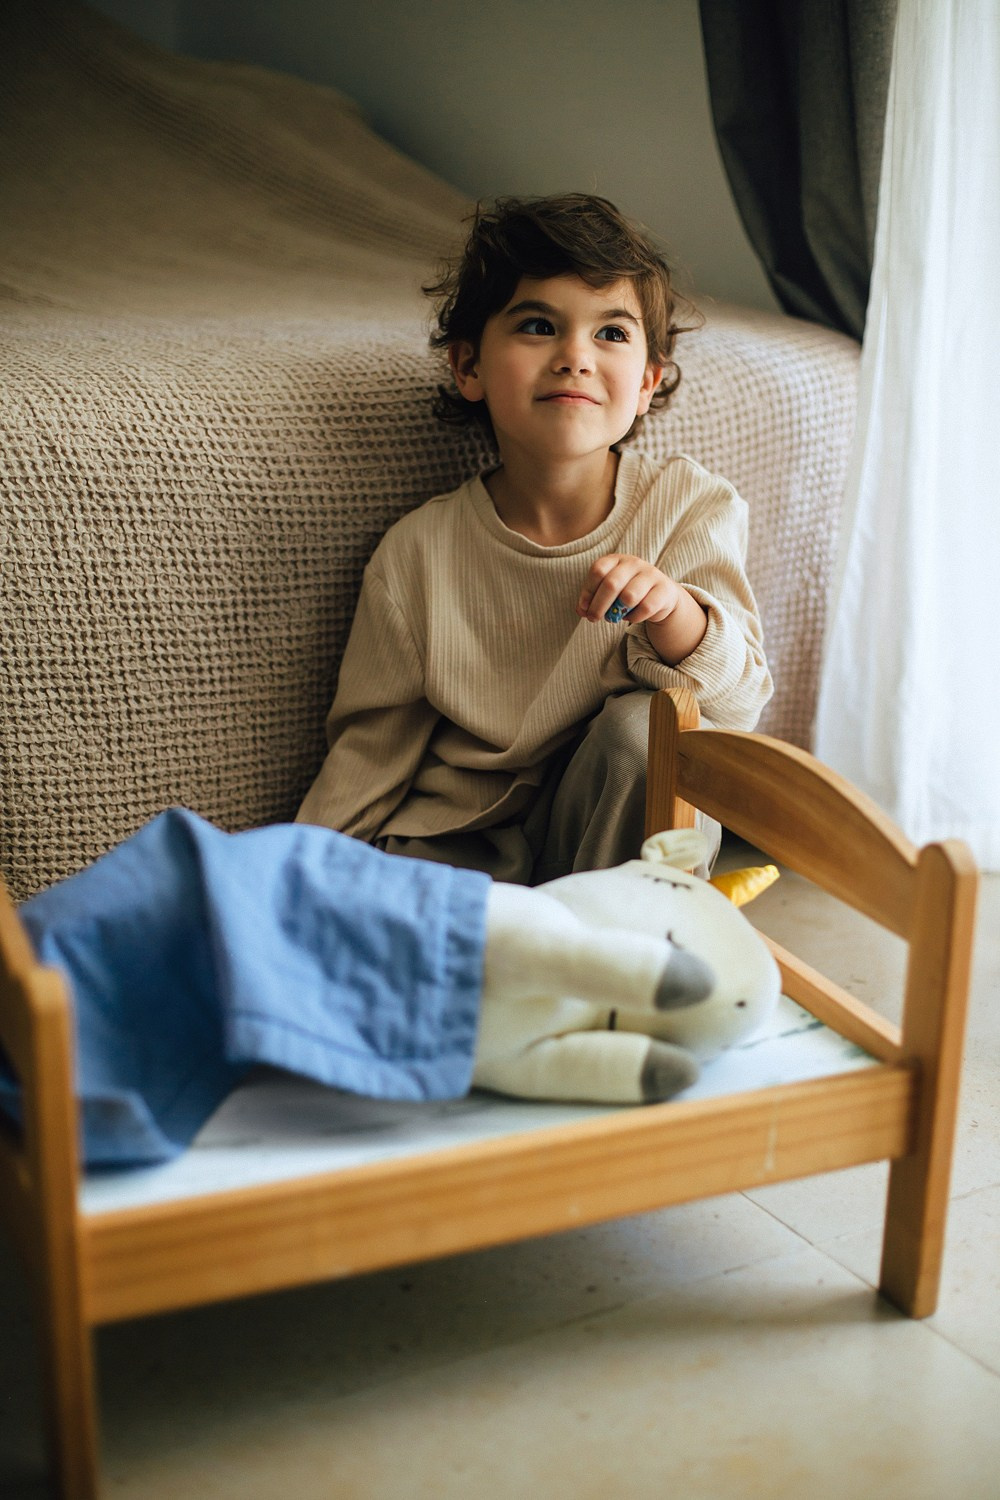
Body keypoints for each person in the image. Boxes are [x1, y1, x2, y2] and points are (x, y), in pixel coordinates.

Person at [297, 194, 772, 882]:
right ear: (469, 369)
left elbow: (736, 711)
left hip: (605, 851)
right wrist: (296, 879)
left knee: (653, 732)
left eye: (610, 333)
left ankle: (622, 957)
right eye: (538, 325)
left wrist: (674, 614)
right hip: (460, 855)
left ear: (646, 382)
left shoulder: (688, 506)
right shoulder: (416, 555)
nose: (575, 356)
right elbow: (369, 758)